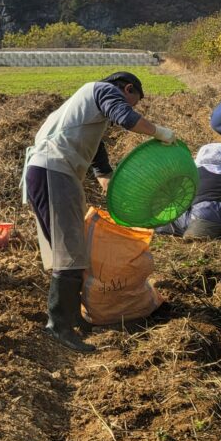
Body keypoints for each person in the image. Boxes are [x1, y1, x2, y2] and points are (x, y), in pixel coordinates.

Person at [22, 71, 175, 353]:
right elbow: (126, 118)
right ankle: (59, 327)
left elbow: (98, 153)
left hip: (46, 171)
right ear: (127, 89)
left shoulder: (84, 105)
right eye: (133, 101)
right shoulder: (103, 91)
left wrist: (110, 183)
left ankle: (72, 317)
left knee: (67, 247)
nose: (130, 107)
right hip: (54, 171)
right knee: (70, 251)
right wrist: (160, 133)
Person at [157, 143, 221, 239]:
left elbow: (178, 201)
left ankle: (199, 231)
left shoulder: (193, 174)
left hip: (204, 216)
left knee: (165, 218)